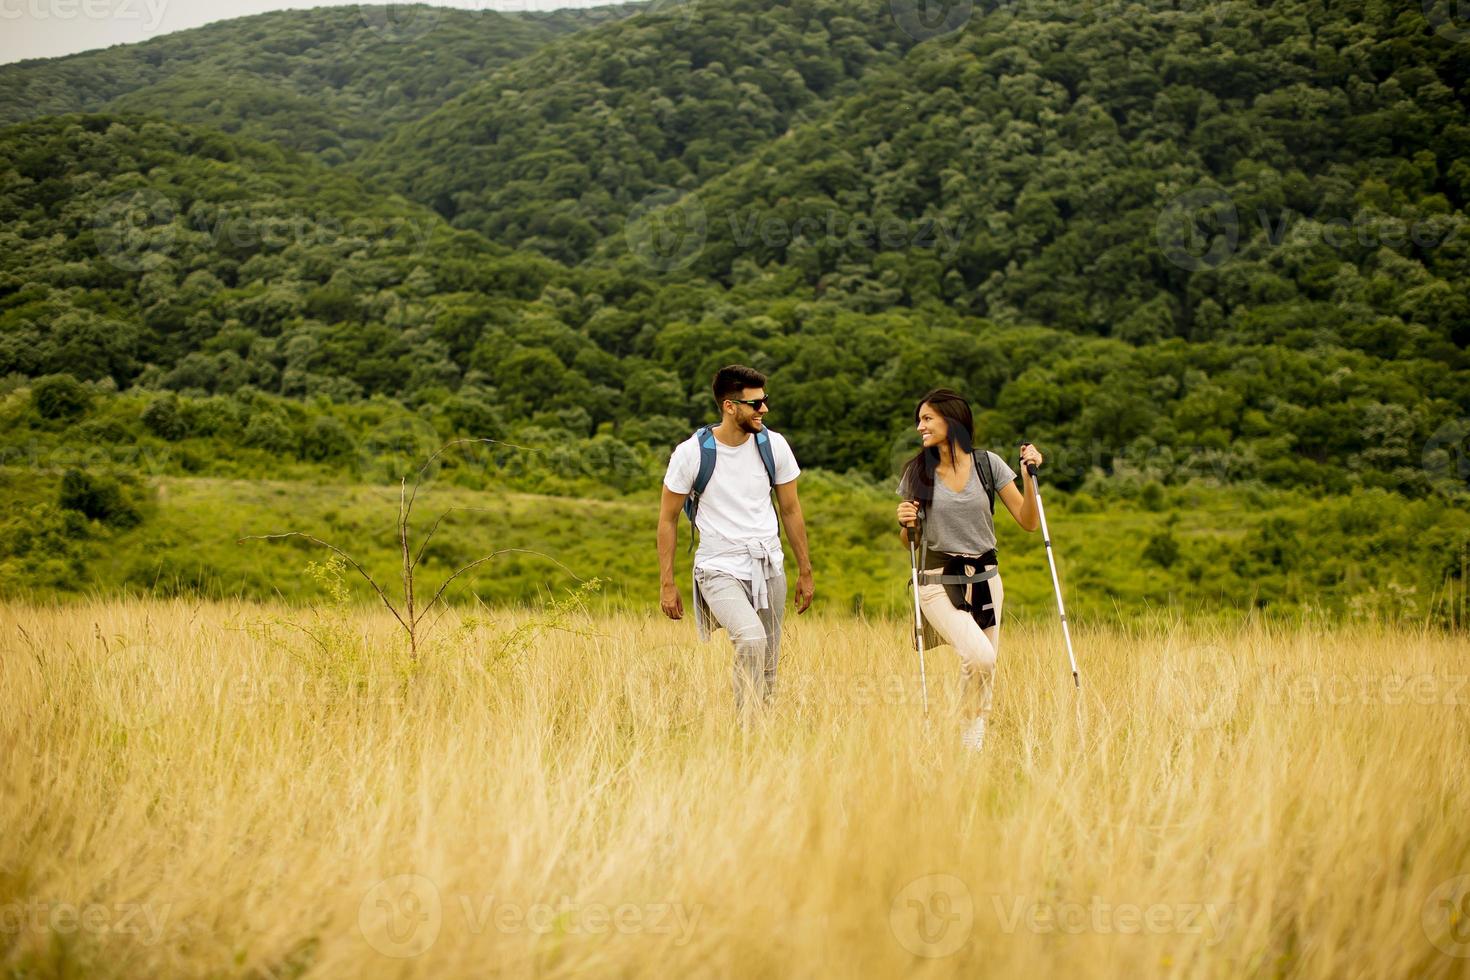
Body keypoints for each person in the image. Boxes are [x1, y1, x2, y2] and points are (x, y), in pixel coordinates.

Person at [657, 365, 815, 714]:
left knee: (770, 664)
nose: (764, 410)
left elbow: (790, 510)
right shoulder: (691, 453)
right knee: (751, 638)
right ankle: (746, 730)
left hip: (769, 563)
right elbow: (667, 519)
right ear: (730, 406)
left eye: (765, 401)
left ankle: (761, 740)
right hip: (718, 565)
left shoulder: (774, 446)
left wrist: (805, 570)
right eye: (756, 404)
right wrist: (667, 583)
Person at [895, 388, 1043, 751]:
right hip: (936, 581)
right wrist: (905, 523)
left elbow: (1028, 521)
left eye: (928, 418)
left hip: (986, 580)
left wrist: (1028, 476)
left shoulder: (987, 464)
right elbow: (910, 541)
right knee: (980, 657)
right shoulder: (918, 471)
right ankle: (969, 737)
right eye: (919, 420)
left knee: (984, 666)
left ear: (952, 420)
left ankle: (970, 745)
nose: (920, 427)